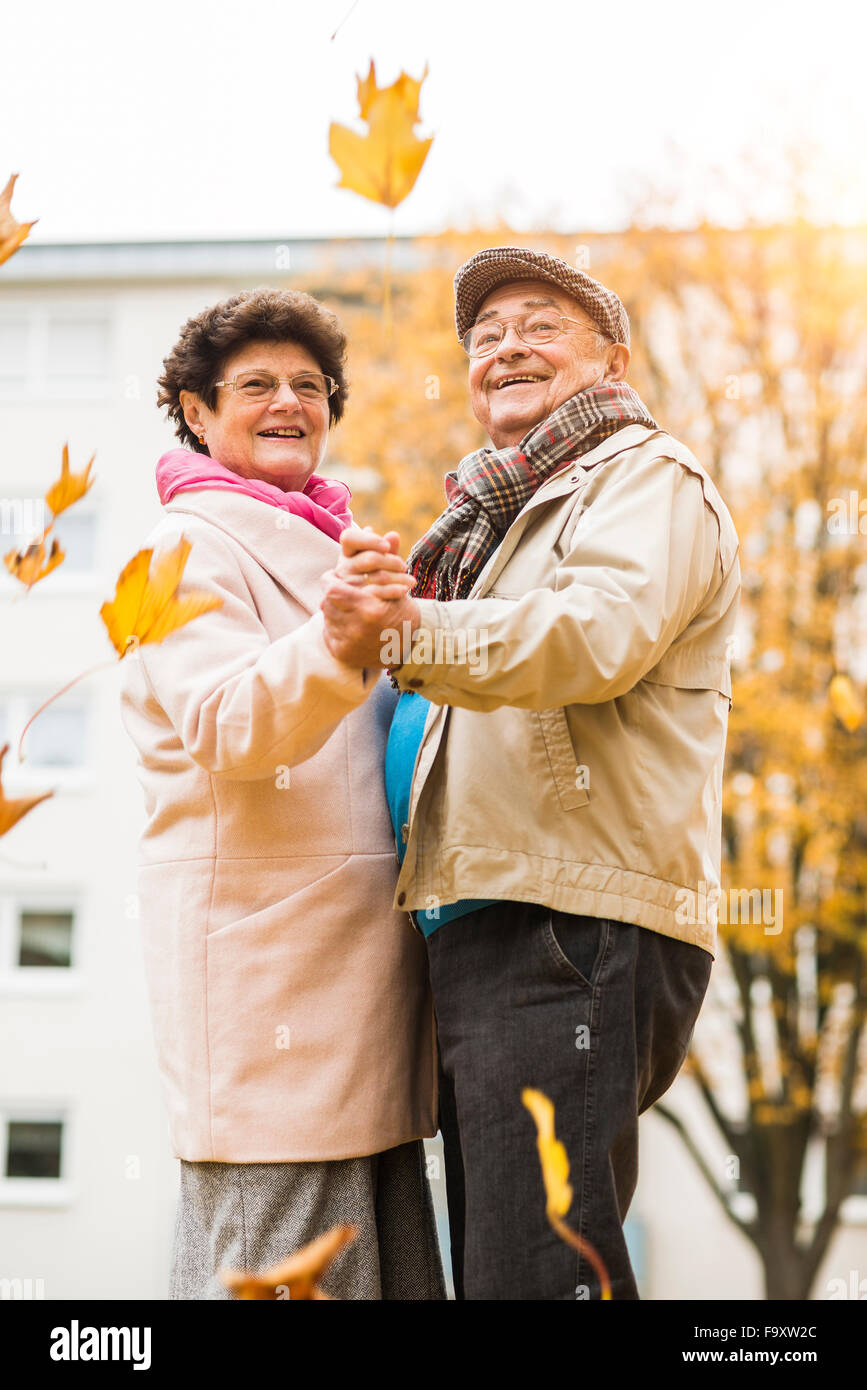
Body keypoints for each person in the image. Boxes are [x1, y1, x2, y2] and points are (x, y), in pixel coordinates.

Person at [320, 246, 742, 1300]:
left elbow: (592, 636)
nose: (506, 345)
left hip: (565, 913)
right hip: (495, 911)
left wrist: (410, 629)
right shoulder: (494, 521)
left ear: (613, 358)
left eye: (540, 323)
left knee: (535, 1276)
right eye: (486, 334)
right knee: (519, 1269)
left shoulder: (647, 476)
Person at [118, 288, 443, 1301]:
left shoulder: (330, 544)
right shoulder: (180, 551)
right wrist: (344, 639)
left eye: (310, 386)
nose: (290, 401)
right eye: (255, 384)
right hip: (275, 1008)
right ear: (197, 411)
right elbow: (226, 724)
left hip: (362, 1005)